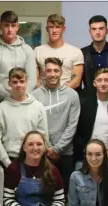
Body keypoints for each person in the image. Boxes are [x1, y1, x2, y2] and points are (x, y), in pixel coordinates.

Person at [31, 57, 80, 192]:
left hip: (65, 153)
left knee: (63, 193)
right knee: (41, 191)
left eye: (56, 71)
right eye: (49, 71)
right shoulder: (34, 96)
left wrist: (57, 149)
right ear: (43, 73)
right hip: (41, 152)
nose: (52, 74)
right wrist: (47, 148)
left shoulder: (72, 96)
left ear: (61, 72)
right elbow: (34, 125)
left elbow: (72, 125)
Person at [0, 68, 50, 167]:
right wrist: (7, 163)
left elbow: (43, 136)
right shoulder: (0, 109)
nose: (19, 85)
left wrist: (38, 158)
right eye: (15, 82)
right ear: (9, 83)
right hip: (9, 159)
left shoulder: (38, 107)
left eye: (22, 81)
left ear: (27, 81)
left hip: (34, 158)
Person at [74, 68, 108, 169]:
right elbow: (76, 131)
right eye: (99, 80)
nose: (103, 83)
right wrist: (84, 148)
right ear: (94, 83)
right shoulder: (83, 106)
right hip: (84, 159)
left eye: (107, 80)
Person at [0, 11, 37, 109]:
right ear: (0, 26)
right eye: (6, 25)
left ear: (17, 27)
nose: (10, 29)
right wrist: (9, 98)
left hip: (23, 101)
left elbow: (32, 78)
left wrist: (21, 97)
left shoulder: (27, 49)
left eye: (13, 26)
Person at [34, 14, 84, 90]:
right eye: (51, 27)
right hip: (43, 97)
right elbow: (35, 79)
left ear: (63, 29)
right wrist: (42, 93)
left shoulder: (75, 52)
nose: (54, 31)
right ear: (47, 29)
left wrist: (60, 94)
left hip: (66, 96)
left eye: (58, 27)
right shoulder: (37, 51)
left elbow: (76, 81)